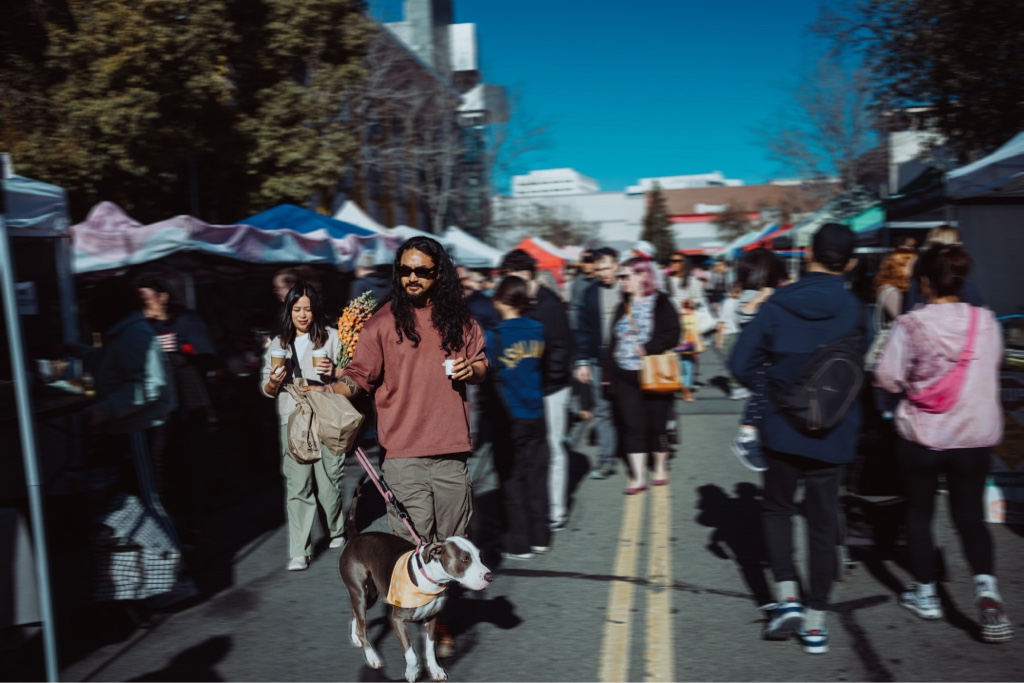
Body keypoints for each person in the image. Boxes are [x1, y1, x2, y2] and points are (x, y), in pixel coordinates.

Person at [729, 223, 863, 655]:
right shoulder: (856, 309)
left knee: (778, 509)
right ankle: (817, 622)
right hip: (834, 428)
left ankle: (787, 596)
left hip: (783, 426)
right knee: (824, 522)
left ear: (808, 255)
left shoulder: (778, 303)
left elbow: (739, 362)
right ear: (853, 262)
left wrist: (775, 390)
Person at [873, 243, 1012, 644]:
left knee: (919, 515)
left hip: (924, 435)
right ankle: (987, 591)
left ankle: (927, 594)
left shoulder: (912, 325)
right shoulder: (986, 321)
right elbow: (994, 364)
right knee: (970, 517)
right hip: (974, 435)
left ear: (925, 283)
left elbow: (887, 377)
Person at [307, 236, 487, 543]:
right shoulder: (382, 323)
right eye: (405, 270)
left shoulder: (460, 321)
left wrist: (472, 370)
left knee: (453, 547)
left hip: (451, 452)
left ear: (439, 274)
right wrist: (331, 392)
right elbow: (360, 375)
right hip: (402, 455)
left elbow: (481, 365)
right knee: (412, 548)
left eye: (422, 271)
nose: (412, 278)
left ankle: (442, 592)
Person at [77, 276, 196, 606]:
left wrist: (106, 408)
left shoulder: (133, 333)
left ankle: (178, 579)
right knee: (145, 502)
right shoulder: (128, 332)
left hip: (141, 429)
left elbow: (150, 383)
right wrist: (79, 352)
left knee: (150, 502)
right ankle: (166, 576)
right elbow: (112, 365)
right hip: (137, 429)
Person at [261, 282, 346, 572]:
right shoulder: (278, 343)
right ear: (289, 311)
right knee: (298, 485)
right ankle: (299, 550)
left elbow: (352, 374)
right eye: (297, 309)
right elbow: (267, 389)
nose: (302, 315)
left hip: (326, 417)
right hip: (293, 419)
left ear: (316, 311)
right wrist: (274, 379)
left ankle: (336, 528)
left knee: (328, 483)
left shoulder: (332, 338)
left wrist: (334, 372)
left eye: (308, 309)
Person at [134, 276, 221, 545]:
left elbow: (210, 356)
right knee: (162, 467)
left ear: (162, 297)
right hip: (157, 407)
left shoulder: (186, 321)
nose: (142, 304)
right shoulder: (141, 327)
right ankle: (170, 524)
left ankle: (195, 525)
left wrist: (183, 359)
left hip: (188, 405)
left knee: (188, 464)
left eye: (146, 298)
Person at [499, 249, 573, 532]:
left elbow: (561, 349)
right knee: (535, 452)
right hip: (530, 389)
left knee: (553, 448)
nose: (509, 285)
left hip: (551, 388)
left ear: (528, 274)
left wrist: (542, 380)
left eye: (513, 277)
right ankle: (536, 508)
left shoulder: (549, 304)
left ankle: (555, 511)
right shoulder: (522, 302)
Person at [487, 275, 551, 560]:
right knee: (536, 477)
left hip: (510, 417)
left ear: (501, 300)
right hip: (537, 412)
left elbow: (486, 376)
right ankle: (540, 536)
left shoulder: (496, 336)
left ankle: (519, 541)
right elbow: (545, 368)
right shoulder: (539, 329)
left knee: (512, 479)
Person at [608, 257, 680, 493]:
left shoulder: (661, 302)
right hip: (624, 374)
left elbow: (673, 333)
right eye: (620, 277)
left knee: (657, 425)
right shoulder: (623, 304)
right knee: (631, 425)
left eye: (626, 276)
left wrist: (648, 347)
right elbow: (612, 340)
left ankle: (660, 468)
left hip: (653, 373)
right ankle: (638, 477)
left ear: (643, 276)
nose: (622, 281)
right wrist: (607, 372)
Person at [729, 248, 789, 471]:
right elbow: (744, 314)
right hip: (757, 360)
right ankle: (746, 433)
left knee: (766, 394)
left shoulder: (767, 295)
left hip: (760, 358)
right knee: (764, 388)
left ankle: (753, 433)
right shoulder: (753, 296)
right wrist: (765, 296)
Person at [574, 247, 621, 480]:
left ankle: (639, 454)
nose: (603, 273)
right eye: (599, 268)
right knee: (602, 412)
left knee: (630, 410)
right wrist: (582, 361)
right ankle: (606, 460)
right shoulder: (590, 293)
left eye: (607, 268)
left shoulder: (627, 289)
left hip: (626, 361)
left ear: (617, 266)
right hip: (598, 361)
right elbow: (583, 330)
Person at [902, 225, 984, 312]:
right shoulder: (954, 269)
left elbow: (911, 304)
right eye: (957, 241)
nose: (961, 244)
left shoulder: (919, 263)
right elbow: (976, 303)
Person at [678, 298, 705, 402]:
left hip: (681, 346)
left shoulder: (680, 318)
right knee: (689, 369)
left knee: (683, 368)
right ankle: (687, 393)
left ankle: (683, 390)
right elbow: (696, 332)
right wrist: (699, 347)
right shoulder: (693, 318)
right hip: (690, 346)